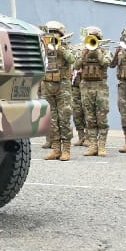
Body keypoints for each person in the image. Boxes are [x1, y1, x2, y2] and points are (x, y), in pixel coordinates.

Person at [41, 21, 77, 161]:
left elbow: (72, 59)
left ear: (61, 34)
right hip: (47, 85)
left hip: (63, 87)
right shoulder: (43, 47)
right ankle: (56, 149)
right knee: (51, 119)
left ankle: (66, 149)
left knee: (65, 118)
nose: (51, 35)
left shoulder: (66, 47)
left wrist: (59, 47)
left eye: (54, 32)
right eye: (49, 32)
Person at [76, 27, 113, 156]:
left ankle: (102, 146)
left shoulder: (105, 51)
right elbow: (75, 66)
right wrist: (84, 54)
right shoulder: (82, 51)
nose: (92, 40)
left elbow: (106, 63)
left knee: (101, 118)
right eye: (90, 38)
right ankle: (92, 145)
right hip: (86, 87)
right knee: (90, 118)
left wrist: (97, 52)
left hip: (100, 87)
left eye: (95, 38)